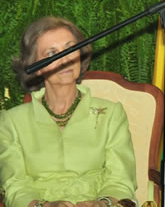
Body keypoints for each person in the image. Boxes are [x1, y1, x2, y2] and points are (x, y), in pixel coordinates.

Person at [0, 17, 137, 207]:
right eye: (52, 53)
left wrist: (103, 203)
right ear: (35, 66)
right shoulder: (11, 121)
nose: (64, 59)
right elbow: (15, 185)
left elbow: (121, 180)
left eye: (70, 48)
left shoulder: (111, 113)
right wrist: (44, 205)